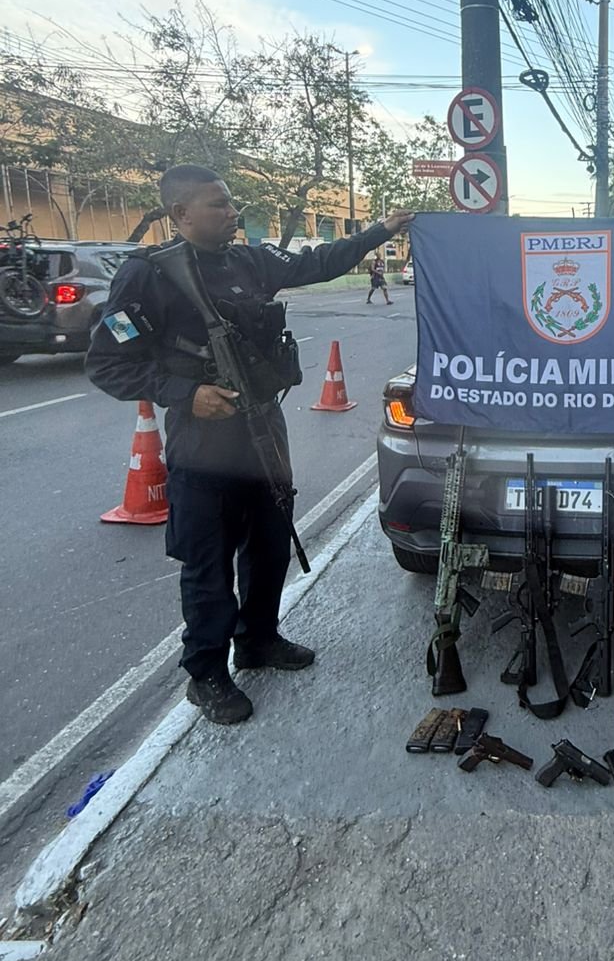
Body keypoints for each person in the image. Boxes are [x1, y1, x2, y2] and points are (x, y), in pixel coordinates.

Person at [87, 166, 414, 725]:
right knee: (208, 563)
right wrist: (186, 394)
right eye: (217, 205)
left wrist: (382, 229)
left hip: (264, 431)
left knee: (269, 545)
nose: (231, 213)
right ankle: (207, 674)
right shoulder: (149, 276)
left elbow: (319, 262)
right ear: (180, 215)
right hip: (202, 443)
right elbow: (106, 363)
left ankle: (258, 640)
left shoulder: (247, 260)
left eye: (231, 202)